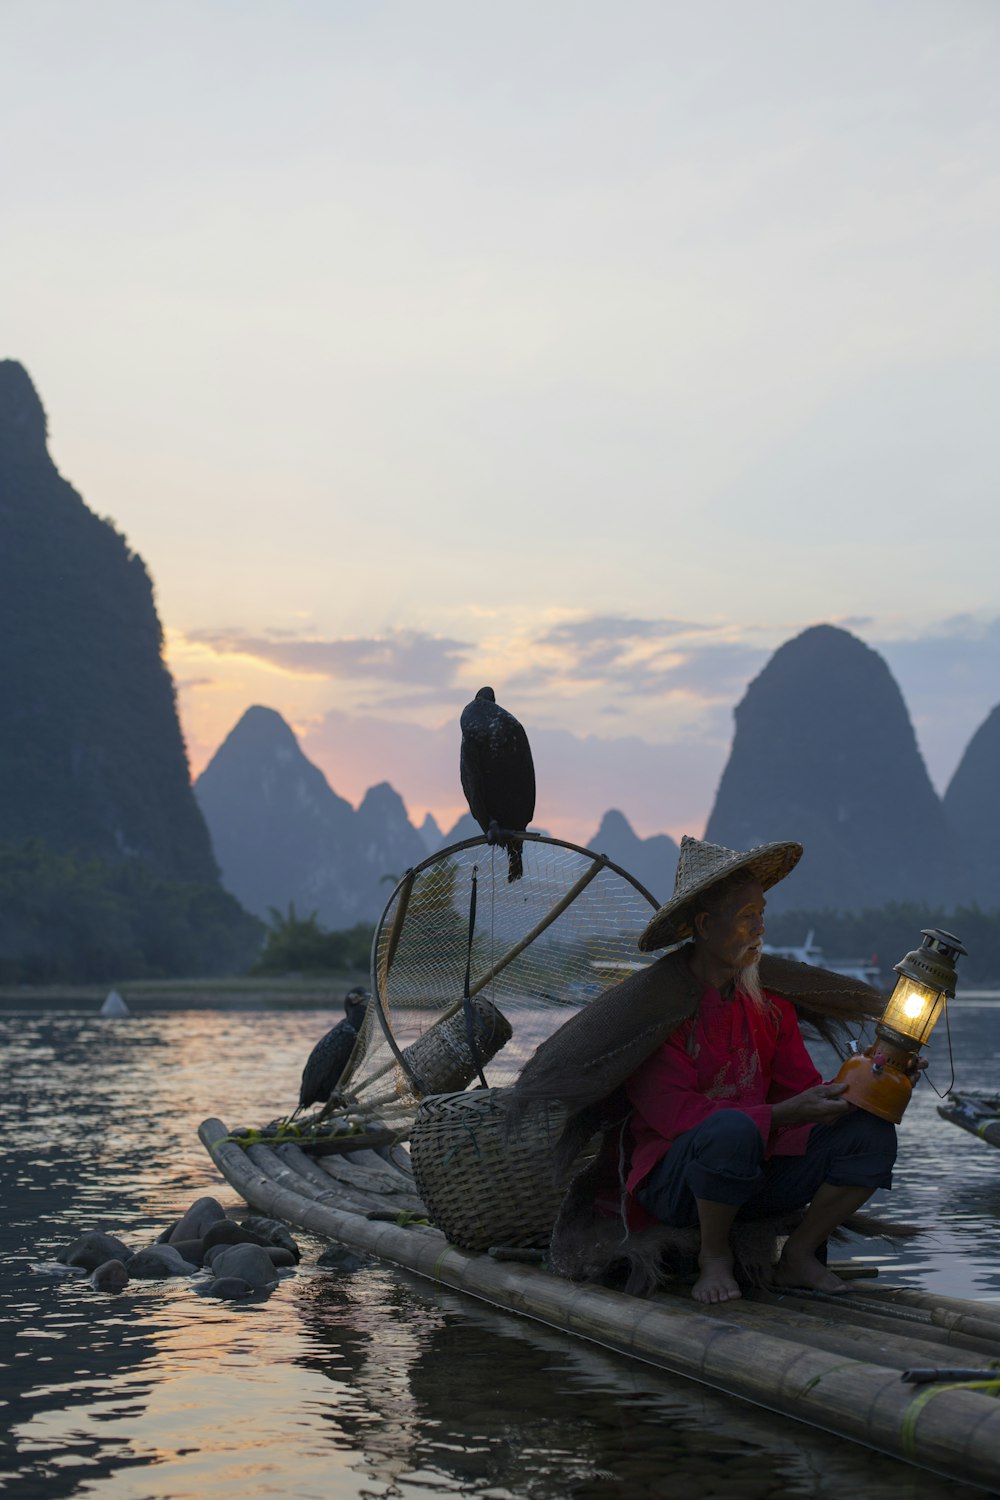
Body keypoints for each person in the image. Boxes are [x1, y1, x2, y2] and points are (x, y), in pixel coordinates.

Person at [623, 837, 898, 1305]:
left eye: (762, 914)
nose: (760, 928)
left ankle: (799, 1254)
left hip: (752, 1171)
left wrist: (872, 1075)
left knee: (869, 1132)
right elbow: (679, 1117)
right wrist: (781, 1116)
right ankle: (714, 1258)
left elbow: (806, 1091)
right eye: (748, 916)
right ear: (707, 925)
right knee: (729, 1128)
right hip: (680, 1182)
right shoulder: (659, 1011)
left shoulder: (767, 1007)